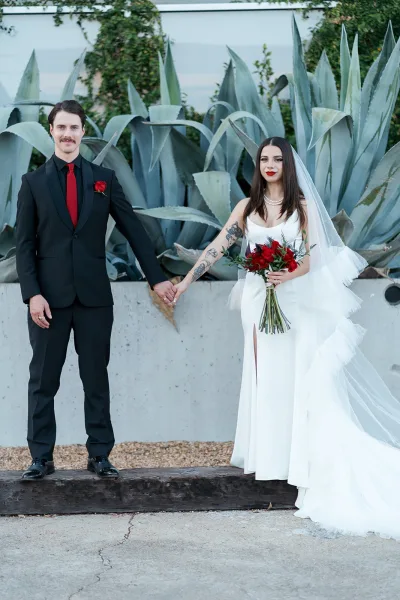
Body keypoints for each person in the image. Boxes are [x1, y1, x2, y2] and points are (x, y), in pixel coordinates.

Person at [174, 137, 400, 539]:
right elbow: (217, 246)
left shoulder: (303, 208)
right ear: (258, 165)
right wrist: (187, 280)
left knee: (299, 378)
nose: (271, 164)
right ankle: (271, 458)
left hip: (295, 300)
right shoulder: (247, 208)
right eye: (264, 159)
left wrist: (287, 274)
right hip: (258, 301)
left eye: (278, 158)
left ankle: (302, 462)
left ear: (288, 165)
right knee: (267, 380)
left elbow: (313, 258)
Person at [16, 100, 176, 480]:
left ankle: (99, 455)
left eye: (74, 127)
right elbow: (23, 245)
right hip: (48, 301)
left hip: (94, 299)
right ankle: (41, 457)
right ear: (51, 130)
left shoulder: (103, 178)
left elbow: (133, 228)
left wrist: (157, 277)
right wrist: (32, 294)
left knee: (95, 378)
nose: (68, 134)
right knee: (43, 380)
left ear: (83, 132)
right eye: (61, 127)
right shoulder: (33, 182)